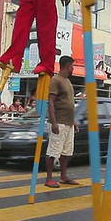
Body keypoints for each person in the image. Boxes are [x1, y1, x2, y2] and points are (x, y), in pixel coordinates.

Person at [45, 56, 79, 188]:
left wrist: (73, 121)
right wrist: (53, 122)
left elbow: (68, 103)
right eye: (71, 66)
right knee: (53, 151)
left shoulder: (67, 81)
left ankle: (63, 176)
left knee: (66, 151)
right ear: (66, 66)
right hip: (58, 121)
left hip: (68, 122)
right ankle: (49, 178)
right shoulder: (56, 80)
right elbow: (51, 101)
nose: (72, 69)